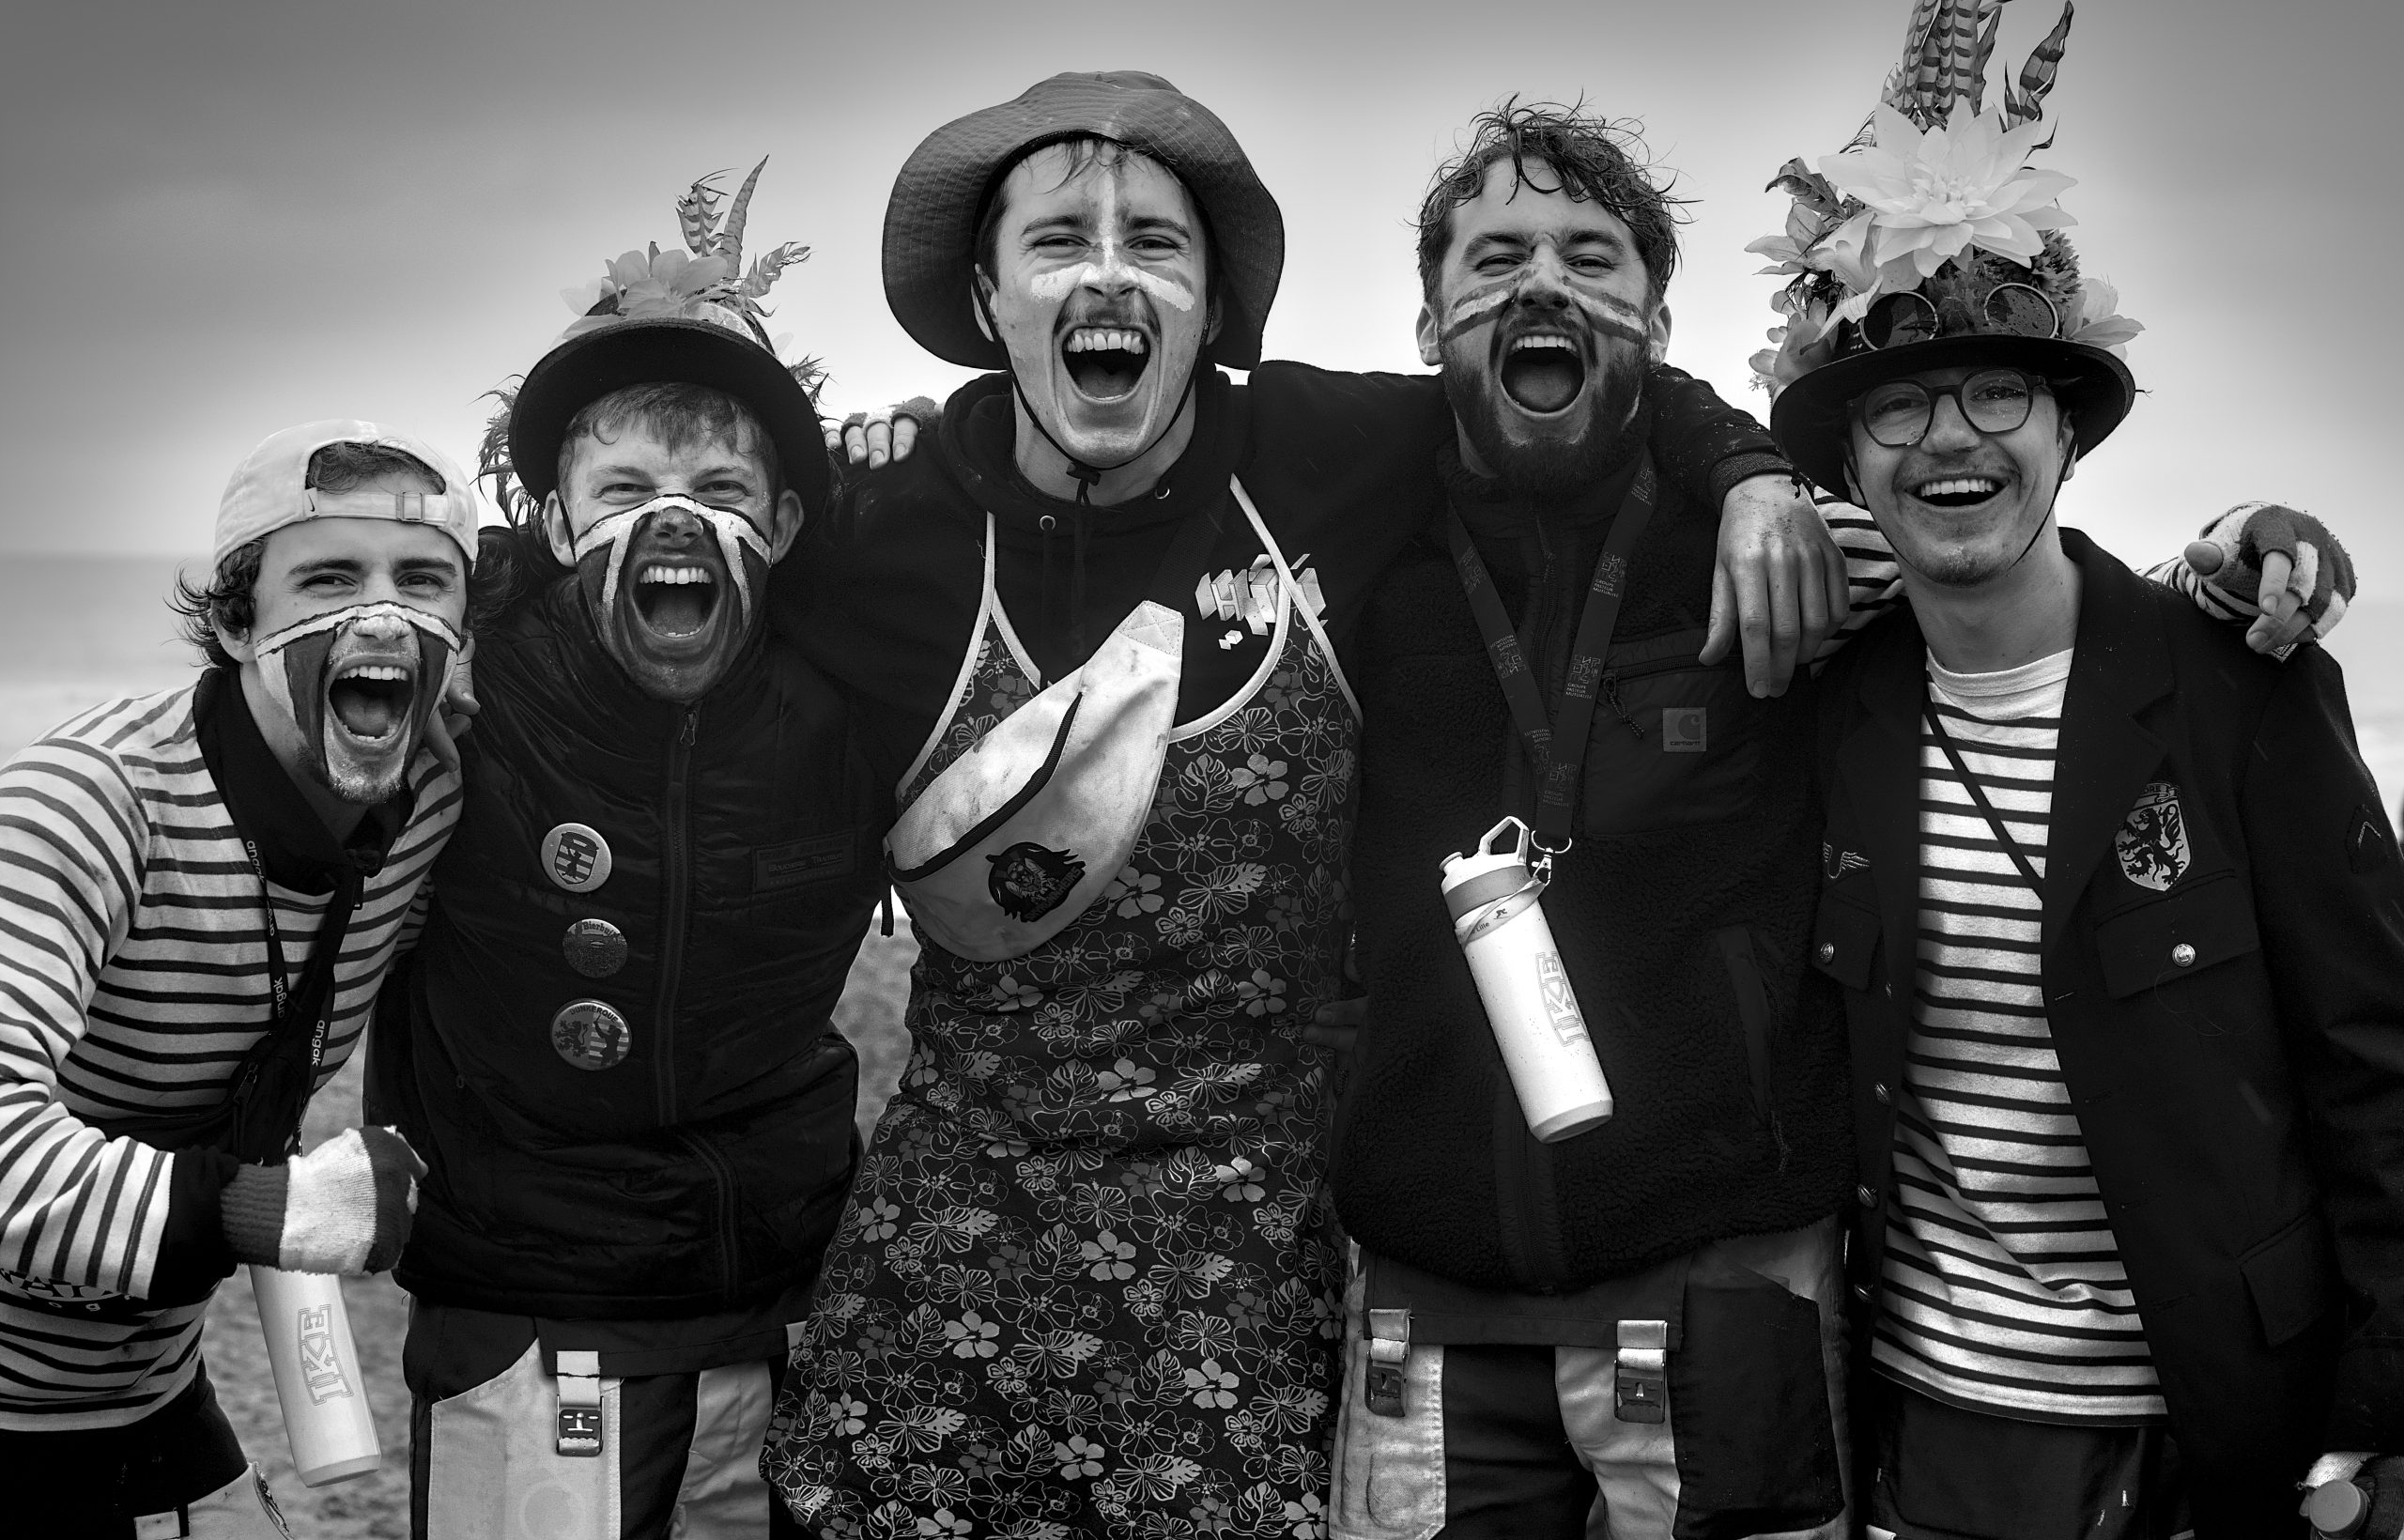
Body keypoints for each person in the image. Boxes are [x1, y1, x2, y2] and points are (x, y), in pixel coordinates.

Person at [758, 72, 1812, 1538]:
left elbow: (1569, 360)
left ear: (1212, 307)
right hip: (944, 1261)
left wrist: (1751, 467)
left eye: (1156, 244)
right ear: (987, 299)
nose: (1110, 277)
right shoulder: (876, 524)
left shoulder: (1324, 452)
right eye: (1058, 241)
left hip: (1242, 1272)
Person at [1322, 78, 2363, 1537]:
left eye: (1590, 257)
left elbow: (2013, 578)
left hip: (1724, 1282)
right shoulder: (1347, 542)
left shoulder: (1789, 553)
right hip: (1431, 1298)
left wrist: (2232, 562)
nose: (1542, 283)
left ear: (1658, 321)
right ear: (1431, 319)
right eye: (1496, 258)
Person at [1762, 7, 2399, 1533]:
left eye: (1998, 393)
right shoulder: (1829, 709)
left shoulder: (2239, 690)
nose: (1949, 440)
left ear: (2065, 431)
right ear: (1849, 466)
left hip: (2209, 1435)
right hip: (1920, 1433)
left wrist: (2380, 1421)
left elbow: (2378, 1071)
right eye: (1897, 405)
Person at [369, 167, 886, 1538]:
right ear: (553, 523)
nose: (675, 517)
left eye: (721, 486)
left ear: (783, 526)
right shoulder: (461, 691)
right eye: (626, 487)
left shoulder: (851, 706)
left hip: (771, 1305)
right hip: (521, 1317)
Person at [0, 421, 471, 1535]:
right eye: (329, 577)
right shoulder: (85, 803)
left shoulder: (428, 802)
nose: (381, 615)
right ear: (235, 622)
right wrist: (279, 1207)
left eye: (422, 581)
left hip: (149, 1395)